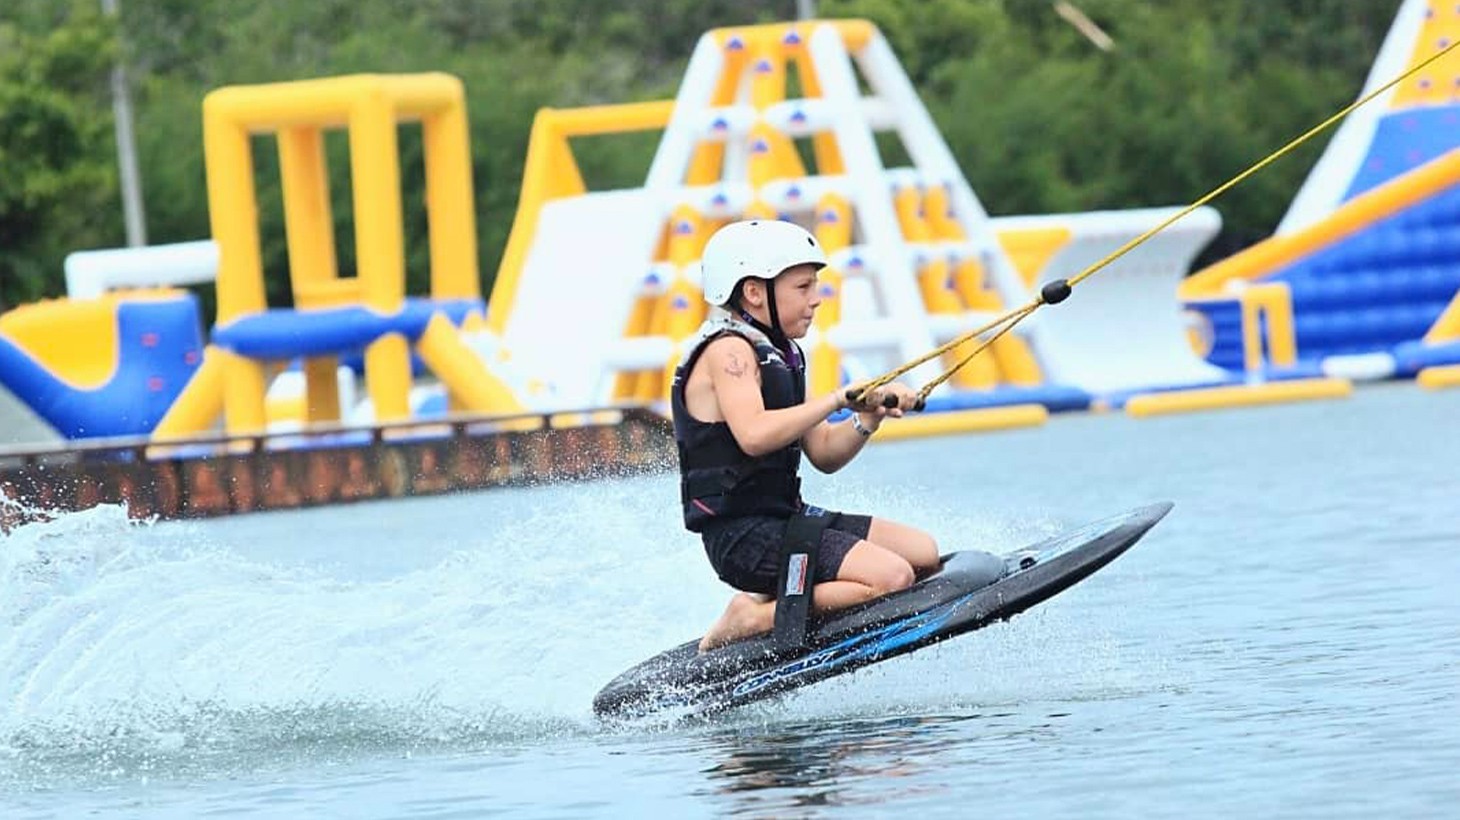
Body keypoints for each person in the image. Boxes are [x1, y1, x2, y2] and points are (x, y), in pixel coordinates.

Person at [672, 219, 947, 652]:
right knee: (892, 577)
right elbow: (754, 436)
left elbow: (824, 452)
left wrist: (867, 417)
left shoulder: (784, 355)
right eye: (803, 287)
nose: (816, 299)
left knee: (922, 553)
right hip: (743, 538)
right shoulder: (728, 352)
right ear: (754, 292)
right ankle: (751, 616)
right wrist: (837, 398)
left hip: (787, 519)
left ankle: (769, 597)